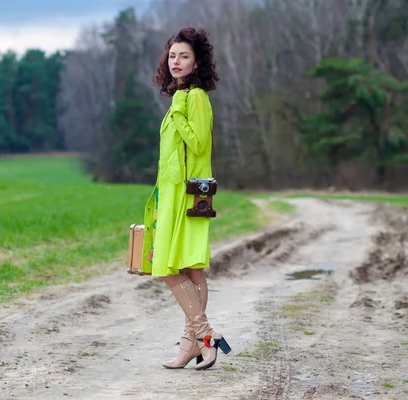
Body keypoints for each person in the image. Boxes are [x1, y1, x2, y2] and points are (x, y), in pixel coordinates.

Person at [140, 27, 231, 371]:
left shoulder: (194, 98)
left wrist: (177, 111)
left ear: (196, 63)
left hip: (188, 195)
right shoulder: (181, 96)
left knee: (167, 267)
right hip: (172, 192)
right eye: (172, 55)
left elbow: (199, 145)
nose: (176, 61)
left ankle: (205, 335)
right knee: (190, 270)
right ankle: (192, 344)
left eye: (184, 56)